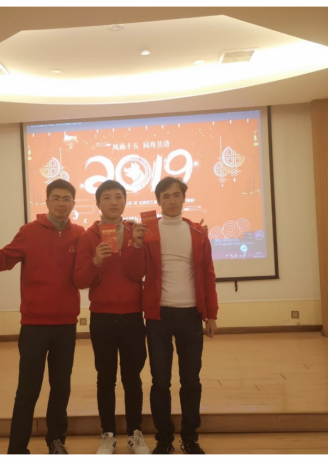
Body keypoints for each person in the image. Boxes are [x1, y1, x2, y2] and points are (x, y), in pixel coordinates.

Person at [0, 179, 84, 455]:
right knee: (28, 389)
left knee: (61, 387)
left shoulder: (80, 234)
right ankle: (17, 448)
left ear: (73, 203)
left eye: (66, 199)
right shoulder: (29, 232)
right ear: (47, 202)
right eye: (56, 198)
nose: (61, 203)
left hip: (66, 325)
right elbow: (1, 262)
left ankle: (56, 440)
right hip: (34, 325)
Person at [73, 180, 151, 455]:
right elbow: (80, 280)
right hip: (103, 317)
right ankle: (107, 435)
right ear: (98, 203)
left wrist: (137, 246)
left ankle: (134, 434)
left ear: (125, 201)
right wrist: (95, 261)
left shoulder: (135, 231)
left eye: (119, 196)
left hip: (132, 316)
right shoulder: (88, 237)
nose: (113, 202)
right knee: (105, 378)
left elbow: (137, 274)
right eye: (107, 197)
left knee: (132, 378)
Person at [142, 177, 218, 454]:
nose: (172, 200)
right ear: (158, 201)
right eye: (166, 196)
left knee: (191, 380)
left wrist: (211, 315)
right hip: (158, 315)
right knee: (160, 381)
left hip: (190, 315)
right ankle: (164, 439)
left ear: (184, 198)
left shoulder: (197, 233)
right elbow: (137, 267)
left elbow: (208, 275)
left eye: (176, 195)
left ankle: (190, 436)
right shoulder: (149, 230)